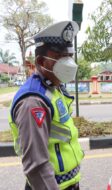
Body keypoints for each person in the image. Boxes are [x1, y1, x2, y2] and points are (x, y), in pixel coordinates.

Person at [8, 21, 84, 190]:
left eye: (69, 55)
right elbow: (37, 166)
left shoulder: (54, 88)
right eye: (60, 57)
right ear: (41, 61)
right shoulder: (33, 102)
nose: (69, 62)